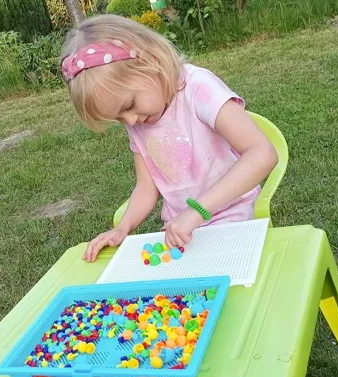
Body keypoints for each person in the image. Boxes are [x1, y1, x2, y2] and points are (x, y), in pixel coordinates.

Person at [61, 15, 278, 262]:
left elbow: (262, 153)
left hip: (233, 216)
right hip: (178, 230)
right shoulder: (140, 119)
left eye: (130, 105)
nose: (130, 121)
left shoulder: (198, 89)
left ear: (151, 61)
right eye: (119, 118)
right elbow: (146, 186)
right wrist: (124, 227)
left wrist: (195, 212)